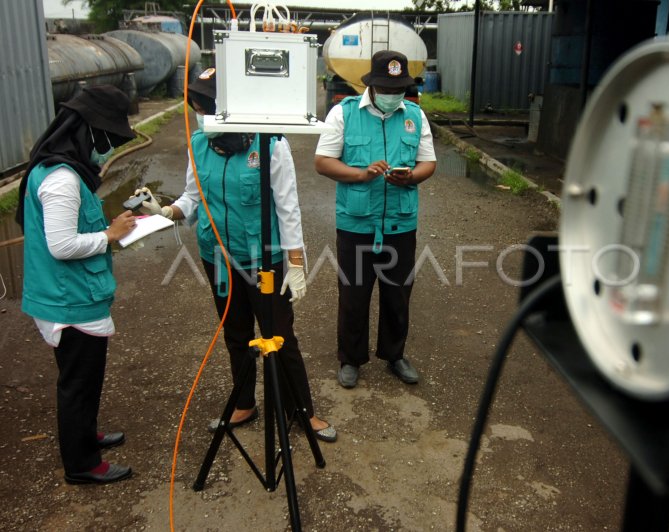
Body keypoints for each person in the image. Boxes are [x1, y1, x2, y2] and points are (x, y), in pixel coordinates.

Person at [135, 68, 336, 442]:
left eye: (205, 107)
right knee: (235, 333)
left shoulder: (271, 144)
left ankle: (301, 411)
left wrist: (295, 262)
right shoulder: (199, 144)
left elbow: (288, 208)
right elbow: (192, 198)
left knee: (279, 335)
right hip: (219, 259)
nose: (200, 114)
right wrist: (163, 212)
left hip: (265, 261)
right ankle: (245, 402)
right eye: (196, 106)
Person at [16, 85, 138, 484]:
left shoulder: (53, 168)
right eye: (108, 139)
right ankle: (83, 464)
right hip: (69, 299)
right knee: (78, 383)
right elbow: (62, 245)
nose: (109, 148)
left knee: (81, 379)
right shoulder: (63, 180)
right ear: (90, 132)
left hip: (65, 294)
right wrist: (110, 234)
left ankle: (85, 435)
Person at [314, 50, 437, 389]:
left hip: (400, 222)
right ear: (371, 85)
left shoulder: (414, 116)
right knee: (354, 294)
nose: (392, 95)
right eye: (386, 88)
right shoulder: (344, 113)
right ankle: (350, 359)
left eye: (398, 88)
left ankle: (395, 354)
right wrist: (361, 174)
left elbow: (429, 162)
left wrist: (411, 176)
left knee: (398, 294)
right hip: (357, 222)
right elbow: (323, 161)